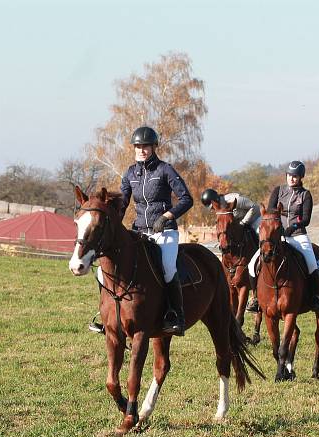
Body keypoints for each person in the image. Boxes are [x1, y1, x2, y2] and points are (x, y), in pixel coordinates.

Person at [90, 126, 193, 336]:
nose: (141, 150)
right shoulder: (130, 173)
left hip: (164, 232)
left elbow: (186, 199)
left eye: (145, 146)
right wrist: (112, 220)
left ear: (154, 147)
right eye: (137, 146)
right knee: (103, 270)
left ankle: (175, 315)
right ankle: (107, 316)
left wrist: (166, 217)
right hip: (140, 231)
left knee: (168, 268)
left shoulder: (165, 170)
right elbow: (123, 201)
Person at [267, 160, 319, 312]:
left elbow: (306, 219)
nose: (291, 179)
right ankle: (255, 298)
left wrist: (293, 227)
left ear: (301, 177)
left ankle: (315, 297)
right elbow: (270, 210)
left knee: (312, 264)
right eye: (289, 175)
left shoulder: (305, 195)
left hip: (298, 235)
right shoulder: (278, 191)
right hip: (277, 236)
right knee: (255, 261)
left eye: (295, 176)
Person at [201, 188, 262, 313]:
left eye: (211, 206)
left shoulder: (236, 200)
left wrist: (244, 222)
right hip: (236, 225)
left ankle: (263, 260)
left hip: (253, 219)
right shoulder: (220, 209)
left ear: (215, 201)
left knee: (260, 235)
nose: (212, 209)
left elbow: (254, 207)